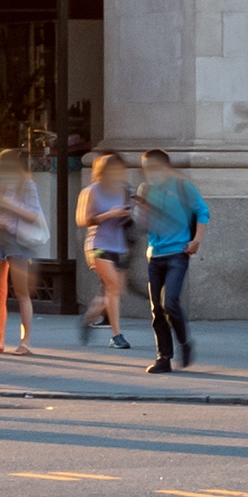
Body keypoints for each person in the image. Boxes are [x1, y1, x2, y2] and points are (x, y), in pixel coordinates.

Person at [135, 150, 209, 372]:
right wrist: (142, 212)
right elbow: (142, 225)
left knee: (171, 302)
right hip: (155, 254)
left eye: (154, 167)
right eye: (146, 168)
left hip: (178, 252)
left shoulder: (182, 187)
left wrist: (196, 240)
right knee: (156, 307)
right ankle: (163, 357)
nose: (149, 173)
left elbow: (202, 211)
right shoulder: (145, 190)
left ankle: (185, 343)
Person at [0, 148, 48, 355]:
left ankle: (25, 341)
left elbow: (32, 215)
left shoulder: (27, 185)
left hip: (17, 239)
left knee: (21, 292)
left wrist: (4, 204)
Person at [73, 150, 137, 350]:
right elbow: (82, 220)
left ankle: (88, 318)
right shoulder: (91, 190)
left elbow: (128, 218)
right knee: (112, 286)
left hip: (119, 244)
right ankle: (117, 335)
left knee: (116, 289)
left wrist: (127, 214)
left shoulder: (123, 190)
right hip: (97, 245)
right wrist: (108, 214)